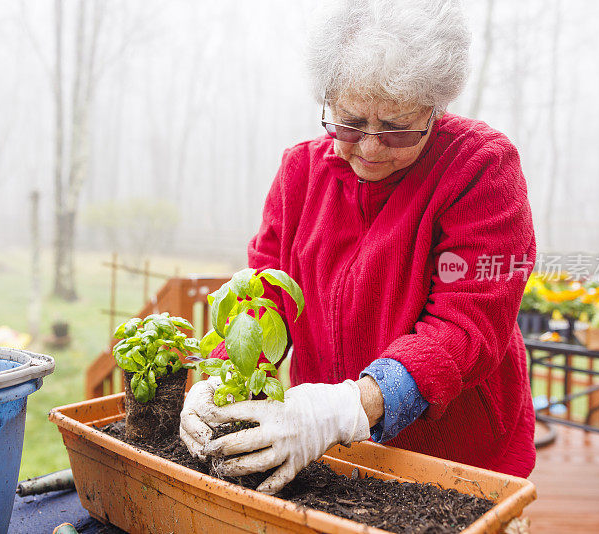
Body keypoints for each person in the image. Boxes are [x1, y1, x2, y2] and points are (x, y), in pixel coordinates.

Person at [180, 0, 537, 495]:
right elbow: (262, 301)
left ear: (436, 106)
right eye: (350, 122)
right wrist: (219, 376)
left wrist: (350, 406)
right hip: (326, 457)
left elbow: (466, 323)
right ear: (327, 97)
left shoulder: (480, 167)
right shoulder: (299, 175)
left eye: (397, 128)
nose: (370, 148)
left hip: (456, 463)